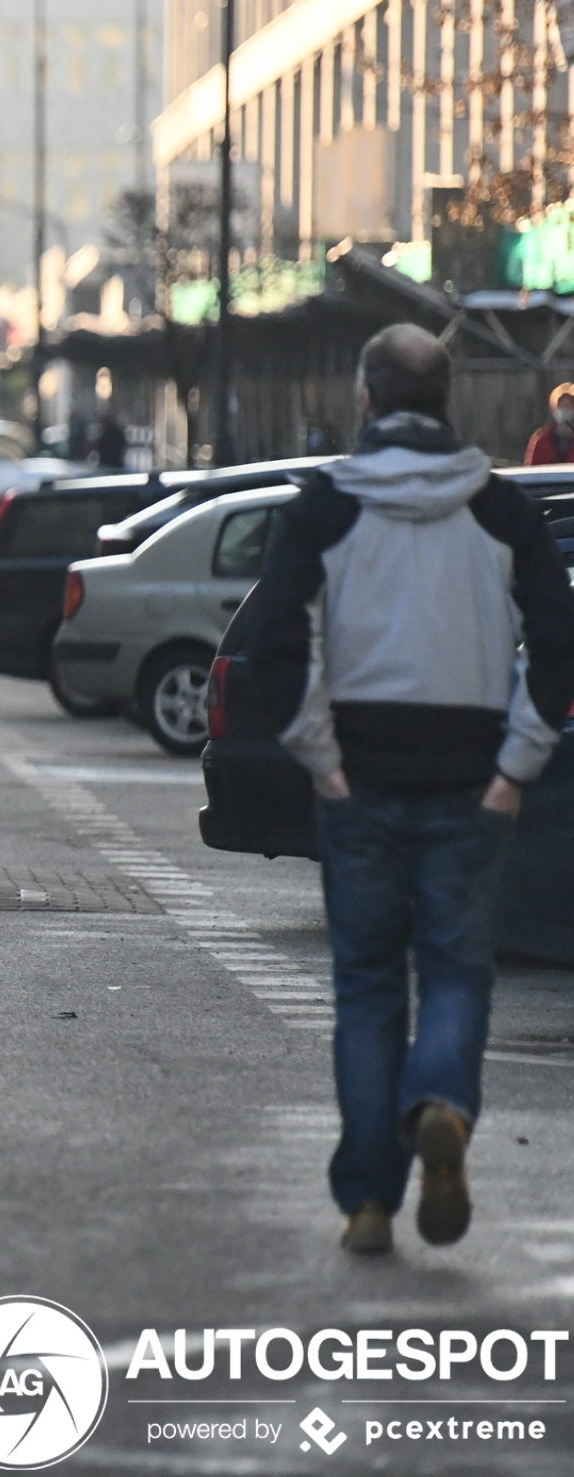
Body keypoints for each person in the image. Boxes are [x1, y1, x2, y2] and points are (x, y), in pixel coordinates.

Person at [246, 324, 574, 1255]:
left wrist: (320, 753)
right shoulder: (500, 508)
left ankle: (366, 1202)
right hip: (473, 783)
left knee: (367, 987)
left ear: (365, 400)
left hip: (359, 778)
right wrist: (519, 763)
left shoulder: (326, 505)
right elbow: (559, 639)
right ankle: (440, 1102)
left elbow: (276, 638)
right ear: (448, 402)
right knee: (460, 972)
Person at [524, 383, 574, 465]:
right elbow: (532, 469)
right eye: (562, 406)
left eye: (569, 407)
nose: (565, 410)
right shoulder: (542, 439)